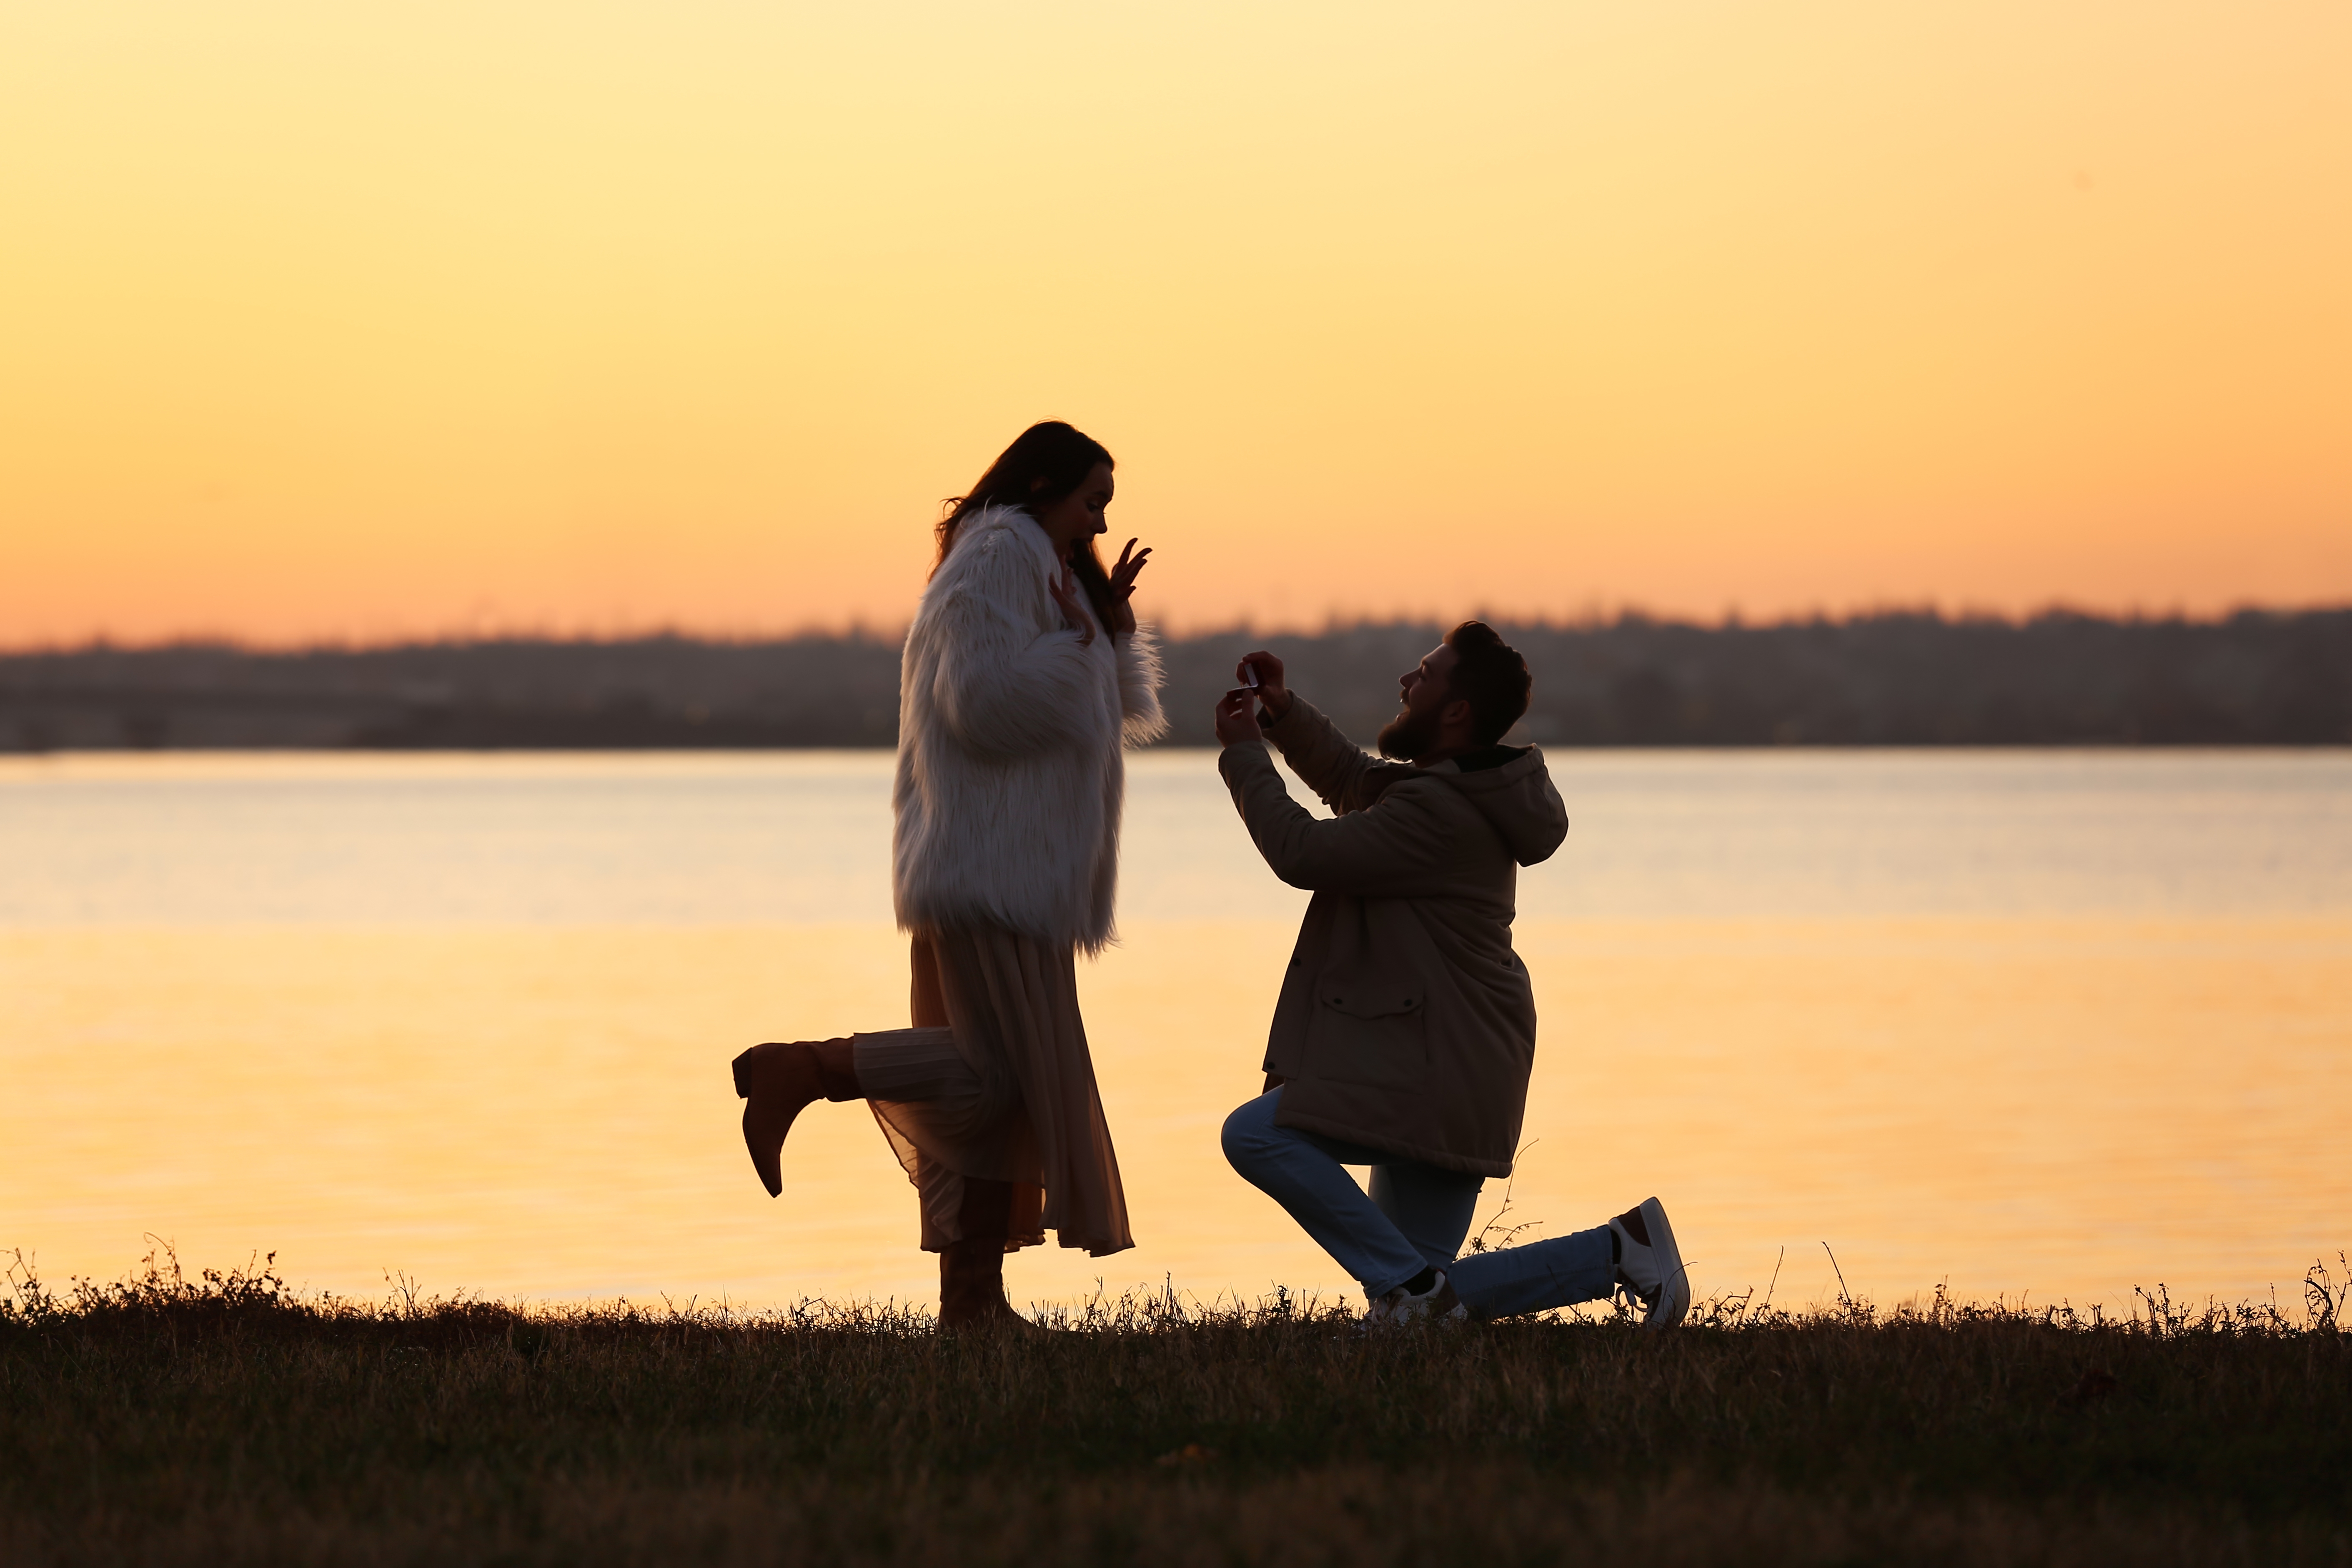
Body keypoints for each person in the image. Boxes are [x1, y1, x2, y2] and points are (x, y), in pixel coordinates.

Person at [731, 421, 1164, 1328]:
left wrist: (1108, 630)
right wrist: (1083, 647)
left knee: (996, 1095)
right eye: (1090, 503)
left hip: (1022, 872)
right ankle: (801, 1070)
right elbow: (984, 702)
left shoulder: (1029, 561)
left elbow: (1108, 713)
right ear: (1042, 483)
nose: (1095, 525)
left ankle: (971, 1303)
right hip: (990, 867)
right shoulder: (999, 553)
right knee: (996, 1076)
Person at [1210, 624, 1690, 1328]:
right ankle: (1621, 1250)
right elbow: (1355, 781)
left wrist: (1247, 755)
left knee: (1255, 1136)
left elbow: (1301, 851)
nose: (1407, 683)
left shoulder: (1436, 810)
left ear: (1457, 710)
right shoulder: (1454, 794)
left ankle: (1433, 1287)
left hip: (1433, 1064)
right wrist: (1282, 711)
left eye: (1425, 674)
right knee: (1431, 1300)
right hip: (1457, 1059)